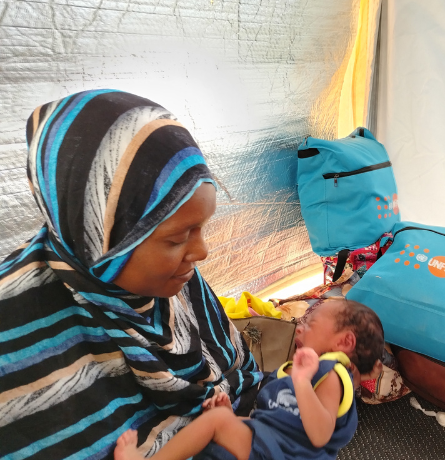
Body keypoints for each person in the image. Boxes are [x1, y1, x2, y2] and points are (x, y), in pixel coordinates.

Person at [0, 90, 264, 459]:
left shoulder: (170, 284)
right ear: (100, 237)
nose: (202, 252)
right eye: (177, 238)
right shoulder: (14, 331)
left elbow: (238, 374)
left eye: (202, 227)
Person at [114, 299, 385, 460]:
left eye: (312, 323)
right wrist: (232, 420)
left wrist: (303, 382)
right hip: (269, 447)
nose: (300, 326)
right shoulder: (288, 373)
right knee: (217, 424)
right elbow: (267, 423)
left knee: (215, 423)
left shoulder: (332, 374)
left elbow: (320, 434)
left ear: (345, 341)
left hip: (286, 455)